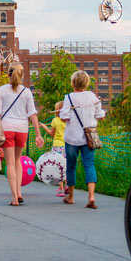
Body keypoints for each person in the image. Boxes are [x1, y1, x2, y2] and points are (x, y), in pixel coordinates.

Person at [0, 64, 44, 206]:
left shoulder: (1, 90)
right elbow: (32, 114)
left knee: (10, 163)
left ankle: (14, 197)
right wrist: (38, 134)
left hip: (7, 127)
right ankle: (19, 192)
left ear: (9, 75)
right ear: (21, 76)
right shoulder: (26, 92)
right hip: (22, 129)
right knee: (17, 160)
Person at [60, 71, 105, 209]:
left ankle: (71, 196)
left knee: (71, 166)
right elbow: (100, 115)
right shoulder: (93, 97)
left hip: (72, 137)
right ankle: (91, 196)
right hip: (88, 138)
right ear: (86, 83)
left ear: (73, 83)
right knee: (89, 165)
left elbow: (64, 116)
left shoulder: (69, 98)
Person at [39, 101, 67, 197]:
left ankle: (61, 188)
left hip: (57, 146)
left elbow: (52, 133)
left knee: (58, 167)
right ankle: (67, 186)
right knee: (66, 166)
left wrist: (43, 126)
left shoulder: (55, 120)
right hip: (67, 145)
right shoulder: (69, 120)